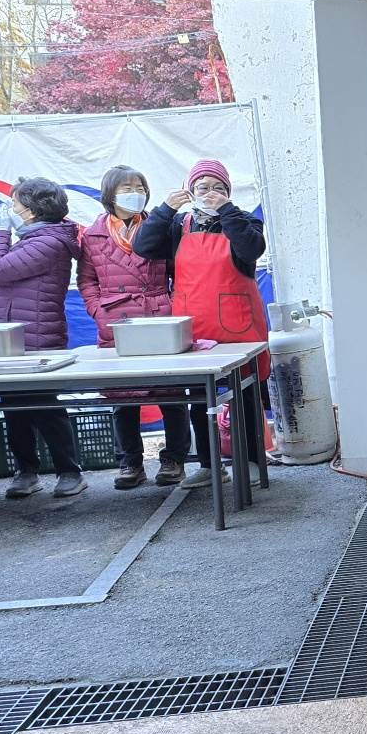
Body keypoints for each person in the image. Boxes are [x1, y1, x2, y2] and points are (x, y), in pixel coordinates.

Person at [133, 158, 267, 484]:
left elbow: (251, 249)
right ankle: (209, 466)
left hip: (239, 325)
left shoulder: (244, 220)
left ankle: (251, 461)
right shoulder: (178, 225)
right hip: (193, 325)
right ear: (190, 191)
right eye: (202, 187)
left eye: (218, 188)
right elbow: (143, 246)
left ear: (229, 192)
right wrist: (166, 208)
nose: (210, 193)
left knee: (245, 395)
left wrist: (227, 211)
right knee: (199, 399)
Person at [77, 165, 195, 490]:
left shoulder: (162, 226)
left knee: (171, 393)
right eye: (127, 188)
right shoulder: (93, 234)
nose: (136, 193)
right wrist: (97, 310)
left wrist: (173, 306)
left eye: (140, 187)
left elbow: (179, 272)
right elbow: (86, 280)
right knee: (122, 397)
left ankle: (175, 459)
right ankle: (130, 461)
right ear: (109, 195)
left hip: (159, 318)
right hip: (115, 322)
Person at [0, 177, 86, 498]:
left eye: (15, 203)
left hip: (38, 336)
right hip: (14, 338)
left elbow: (0, 270)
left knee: (45, 407)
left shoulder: (49, 242)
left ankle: (70, 471)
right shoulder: (32, 238)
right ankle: (26, 471)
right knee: (14, 407)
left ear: (33, 210)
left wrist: (1, 232)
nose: (11, 209)